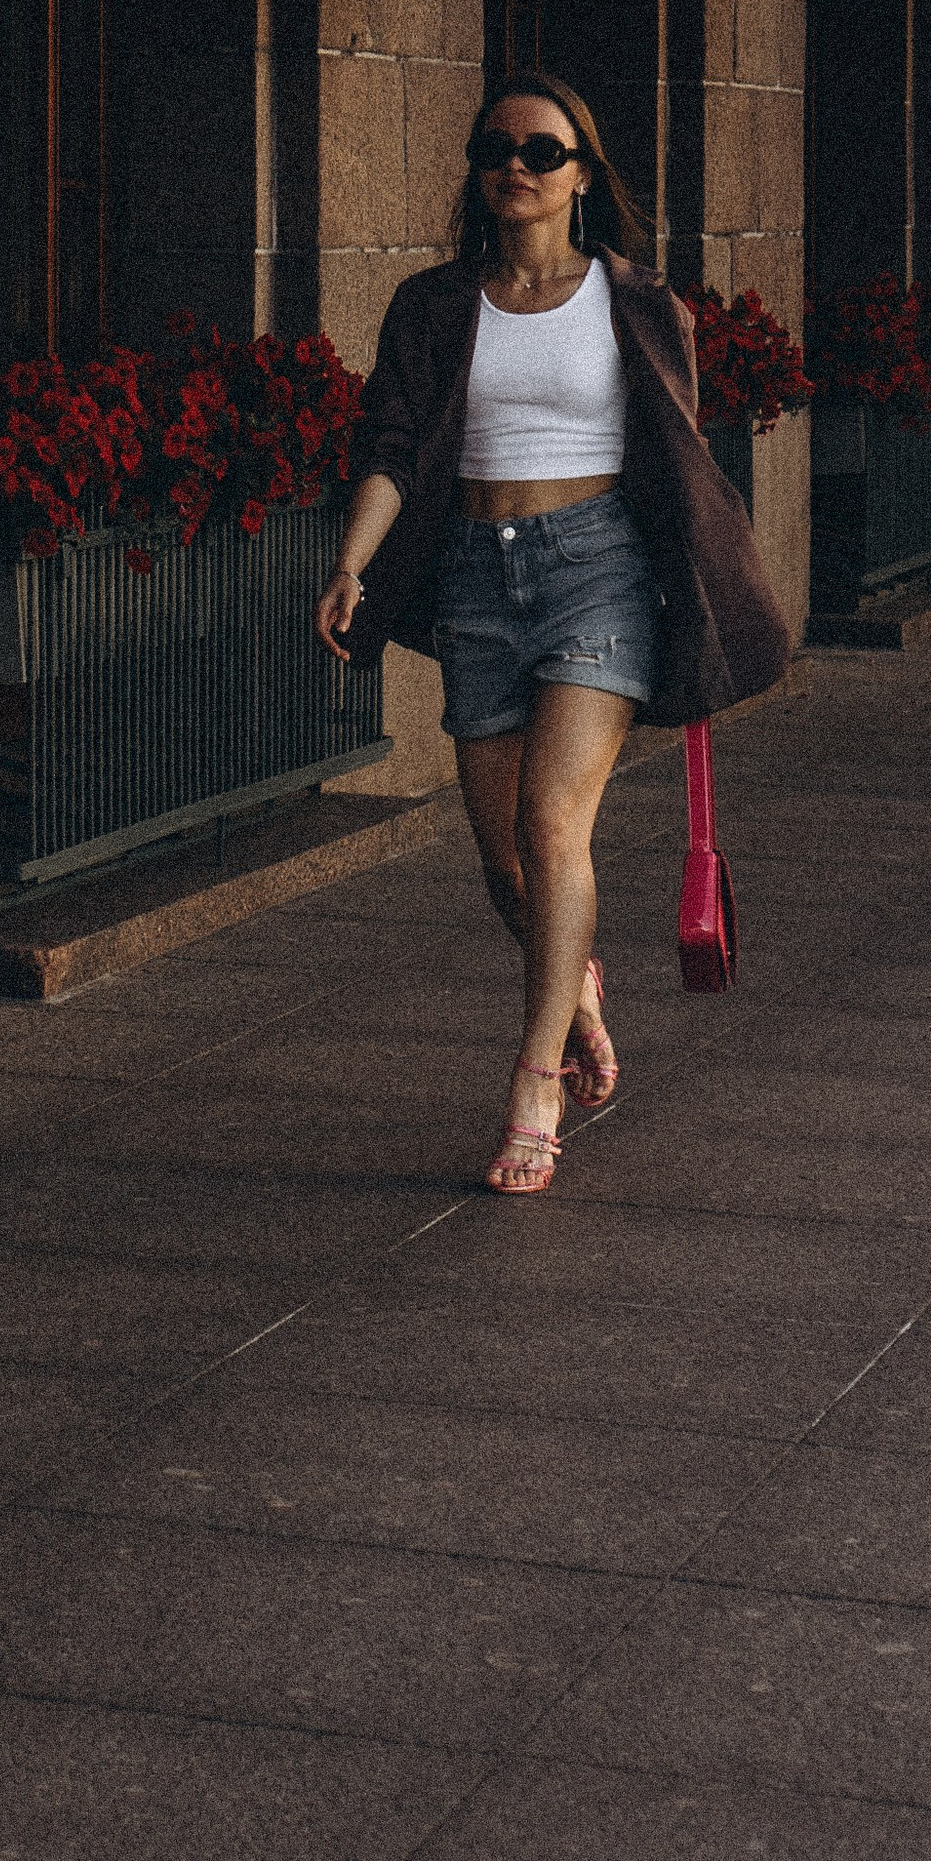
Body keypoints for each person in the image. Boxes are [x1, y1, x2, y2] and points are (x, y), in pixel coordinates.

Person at [312, 75, 789, 1195]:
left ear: (581, 175)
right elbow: (389, 446)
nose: (514, 164)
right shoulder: (433, 305)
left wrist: (701, 593)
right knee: (504, 863)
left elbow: (675, 461)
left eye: (540, 148)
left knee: (550, 821)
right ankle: (572, 992)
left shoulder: (635, 301)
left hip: (597, 574)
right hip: (478, 580)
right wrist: (351, 563)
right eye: (495, 148)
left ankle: (532, 1086)